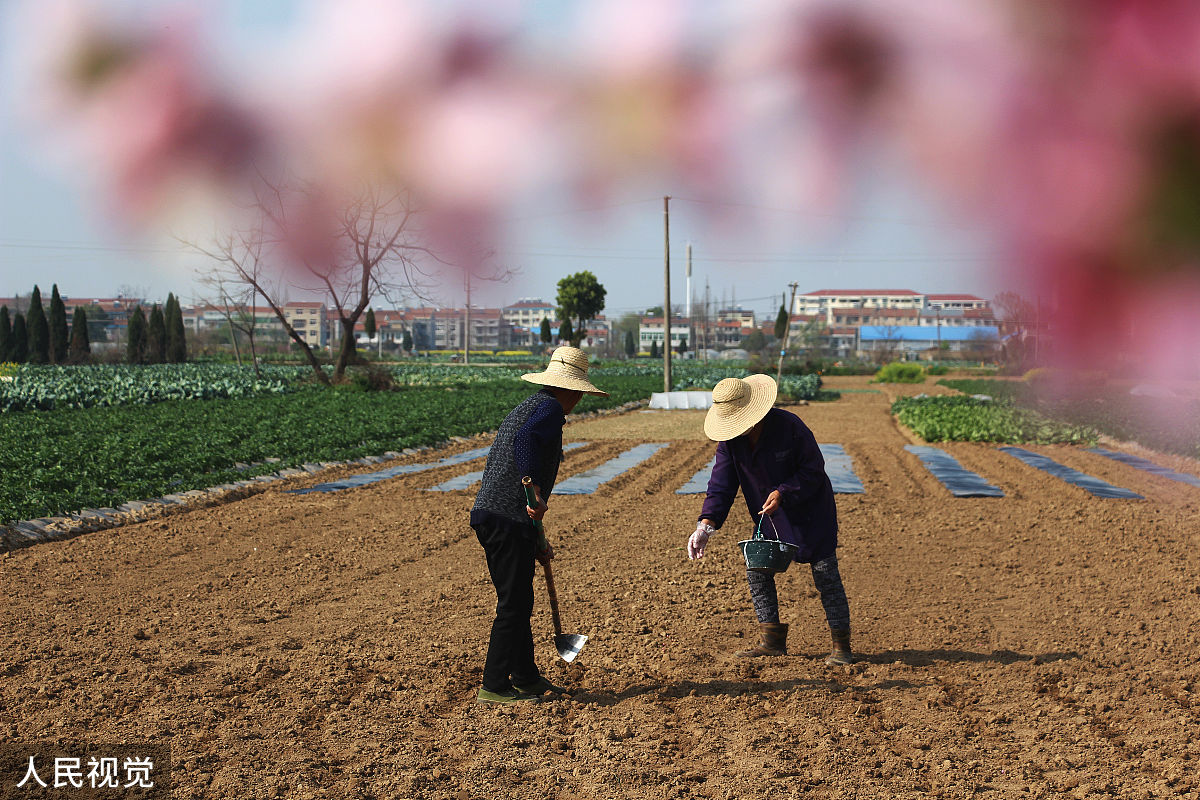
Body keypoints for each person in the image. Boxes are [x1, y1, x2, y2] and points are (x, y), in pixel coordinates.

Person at [470, 345, 608, 703]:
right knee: (513, 605)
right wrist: (532, 485)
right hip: (504, 517)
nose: (579, 398)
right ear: (572, 389)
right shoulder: (547, 409)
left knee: (520, 599)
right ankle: (494, 685)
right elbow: (524, 442)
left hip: (503, 517)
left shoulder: (534, 406)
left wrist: (537, 541)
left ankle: (527, 677)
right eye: (579, 391)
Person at [687, 374, 853, 665]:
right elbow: (721, 485)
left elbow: (813, 470)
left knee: (825, 573)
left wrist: (783, 492)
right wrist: (705, 525)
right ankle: (772, 641)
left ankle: (841, 646)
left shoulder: (790, 427)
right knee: (757, 571)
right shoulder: (730, 441)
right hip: (769, 516)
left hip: (811, 510)